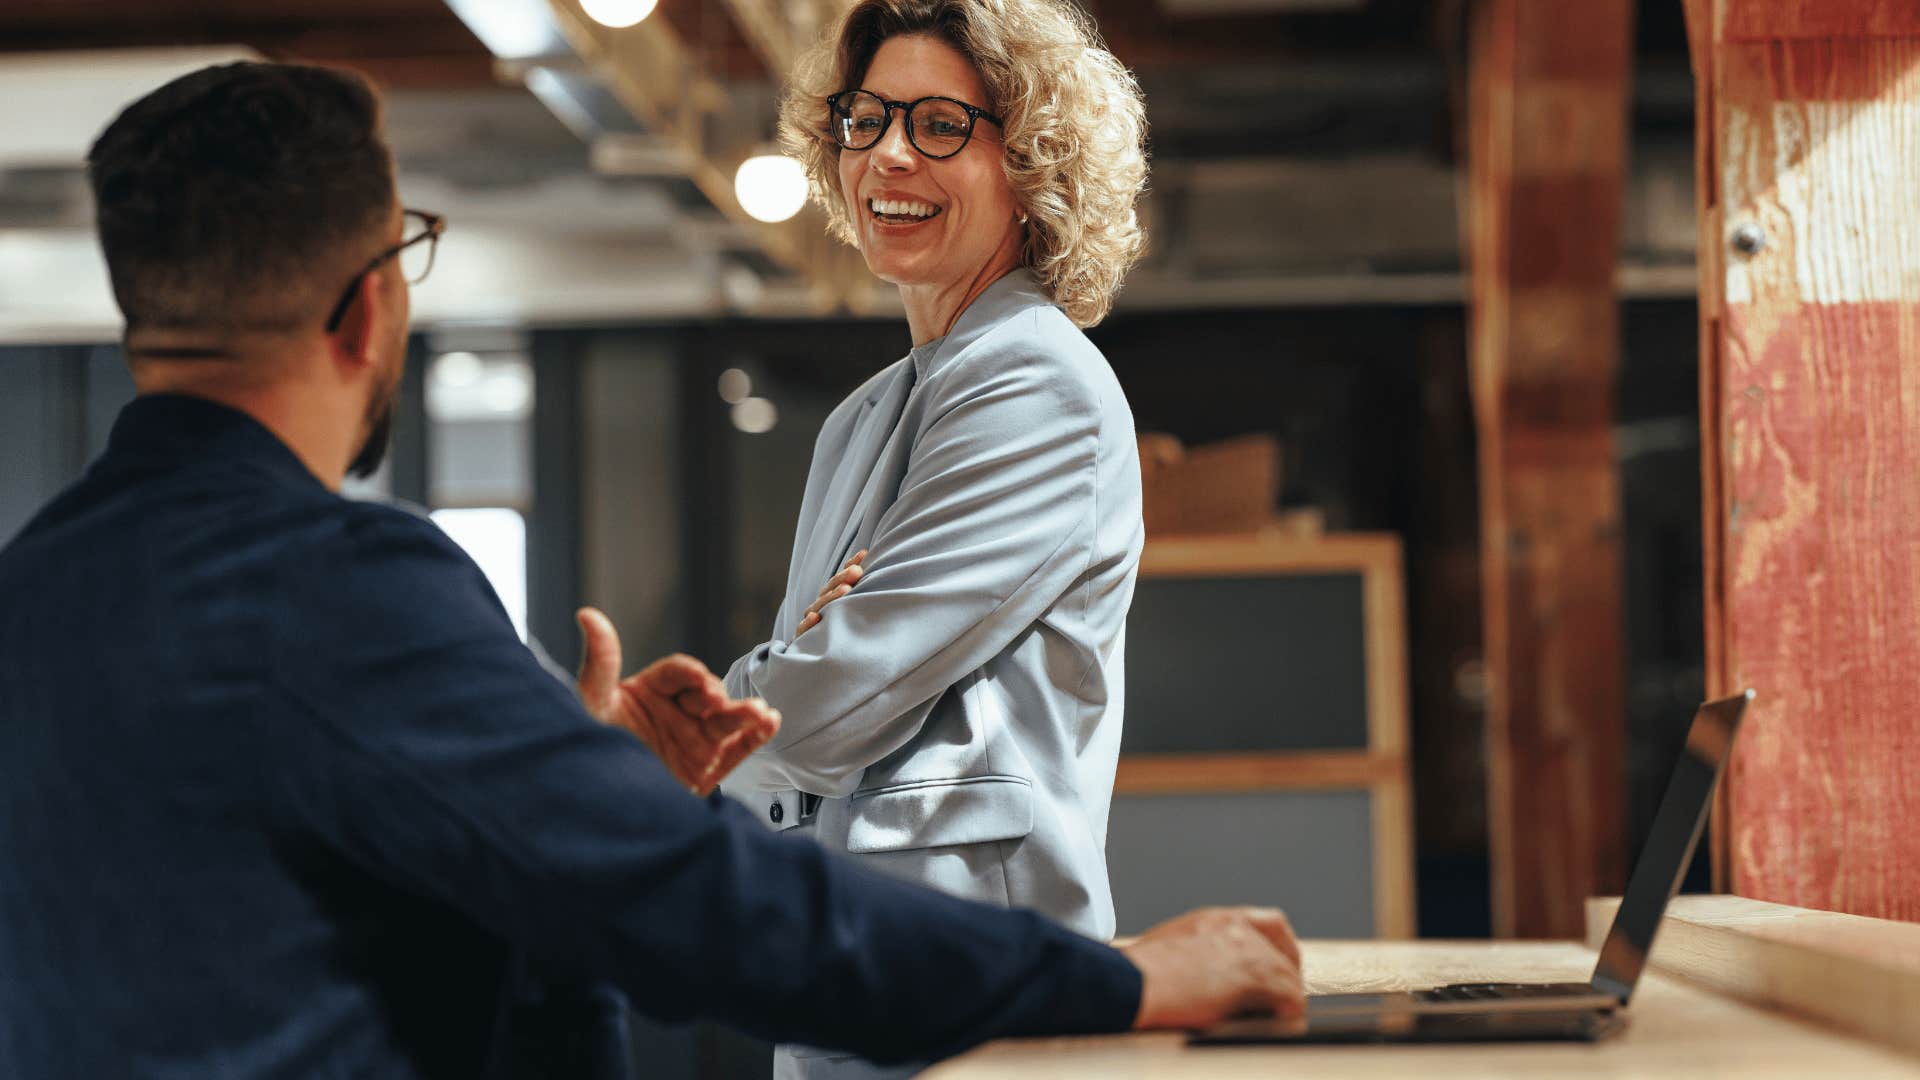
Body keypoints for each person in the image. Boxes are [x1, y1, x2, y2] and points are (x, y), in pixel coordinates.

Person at [0, 61, 1305, 1080]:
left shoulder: (32, 595)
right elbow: (697, 905)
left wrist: (558, 784)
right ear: (370, 307)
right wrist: (1123, 981)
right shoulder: (340, 590)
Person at [712, 1, 1148, 1072]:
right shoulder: (868, 415)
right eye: (865, 119)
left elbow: (825, 700)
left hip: (972, 1008)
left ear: (1031, 160)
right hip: (857, 982)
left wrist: (749, 699)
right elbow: (820, 689)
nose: (890, 153)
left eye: (942, 123)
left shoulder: (1036, 379)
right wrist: (812, 664)